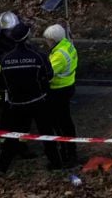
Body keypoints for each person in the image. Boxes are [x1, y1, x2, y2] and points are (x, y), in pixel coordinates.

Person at [0, 20, 63, 172]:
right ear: (28, 37)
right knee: (47, 135)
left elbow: (0, 81)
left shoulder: (5, 58)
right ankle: (57, 165)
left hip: (16, 104)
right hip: (38, 102)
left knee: (12, 137)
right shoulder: (38, 56)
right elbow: (49, 76)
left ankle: (1, 169)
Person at [43, 24, 79, 167]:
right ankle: (70, 150)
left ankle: (67, 152)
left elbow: (48, 74)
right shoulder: (67, 45)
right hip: (68, 85)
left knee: (60, 123)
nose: (46, 42)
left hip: (58, 90)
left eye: (47, 40)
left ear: (52, 40)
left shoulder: (58, 56)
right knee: (66, 121)